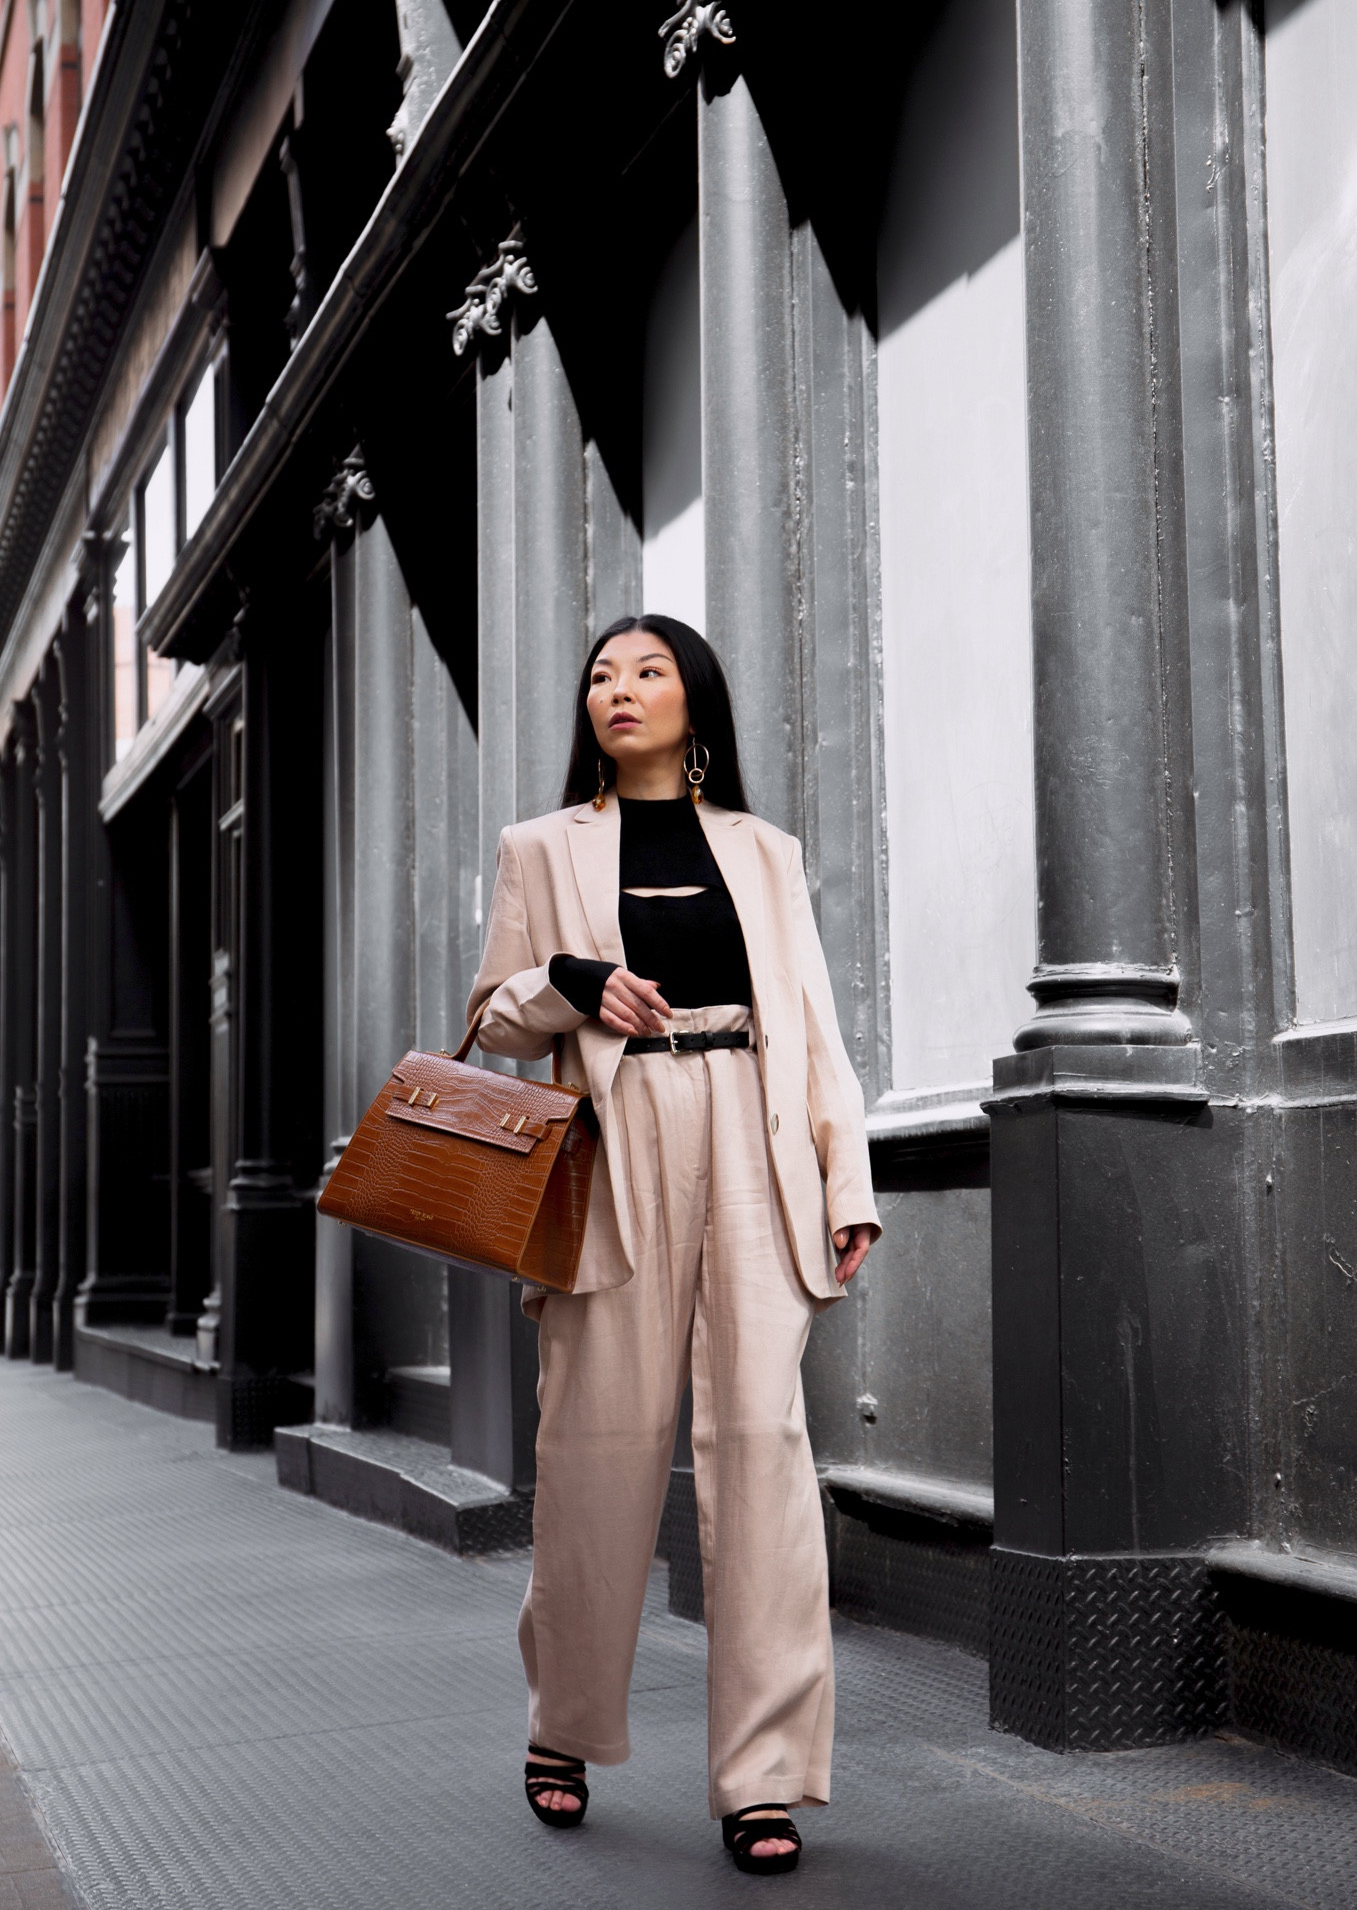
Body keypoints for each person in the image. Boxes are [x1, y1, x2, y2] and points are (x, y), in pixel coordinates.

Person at [466, 614, 880, 1876]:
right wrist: (573, 982)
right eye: (600, 672)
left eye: (648, 670)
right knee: (595, 1449)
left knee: (763, 1449)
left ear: (694, 701)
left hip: (754, 1135)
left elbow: (808, 1018)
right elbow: (490, 1019)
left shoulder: (764, 849)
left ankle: (761, 1778)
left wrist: (843, 1171)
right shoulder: (542, 847)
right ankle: (563, 1724)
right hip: (618, 1139)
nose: (620, 689)